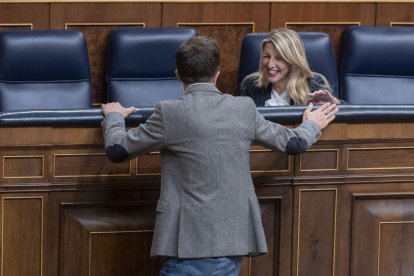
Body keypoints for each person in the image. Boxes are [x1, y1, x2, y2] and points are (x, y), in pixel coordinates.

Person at [100, 36, 338, 275]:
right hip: (232, 240)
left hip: (192, 245)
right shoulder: (243, 108)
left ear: (178, 75)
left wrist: (114, 116)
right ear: (217, 73)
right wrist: (312, 123)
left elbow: (117, 150)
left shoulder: (169, 112)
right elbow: (294, 143)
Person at [239, 28, 341, 107]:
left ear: (293, 60)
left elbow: (347, 113)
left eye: (279, 58)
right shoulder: (251, 85)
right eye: (266, 56)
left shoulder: (314, 84)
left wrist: (335, 103)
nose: (270, 65)